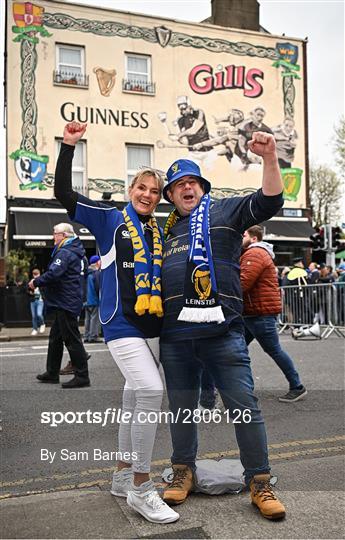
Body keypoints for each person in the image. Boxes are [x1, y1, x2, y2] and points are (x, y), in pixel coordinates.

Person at [53, 121, 179, 525]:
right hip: (119, 324)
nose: (147, 194)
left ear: (159, 199)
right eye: (141, 187)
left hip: (152, 327)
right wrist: (69, 146)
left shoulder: (158, 229)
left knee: (131, 399)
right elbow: (63, 194)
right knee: (149, 391)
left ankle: (123, 475)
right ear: (130, 191)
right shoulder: (109, 219)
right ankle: (142, 489)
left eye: (154, 191)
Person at [160, 131, 286, 520]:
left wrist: (269, 158)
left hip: (223, 334)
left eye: (192, 182)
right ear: (170, 195)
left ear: (202, 188)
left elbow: (269, 200)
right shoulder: (162, 231)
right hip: (176, 338)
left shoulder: (226, 212)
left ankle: (260, 482)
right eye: (179, 184)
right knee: (181, 410)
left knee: (245, 408)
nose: (187, 188)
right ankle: (183, 472)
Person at [240, 225, 307, 402]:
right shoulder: (253, 253)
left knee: (273, 350)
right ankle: (244, 390)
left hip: (259, 313)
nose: (241, 237)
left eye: (244, 234)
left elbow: (243, 283)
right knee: (238, 351)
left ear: (254, 238)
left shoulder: (255, 253)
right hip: (253, 312)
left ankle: (297, 386)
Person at [29, 223, 91, 389]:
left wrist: (35, 282)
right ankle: (52, 373)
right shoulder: (75, 252)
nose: (53, 237)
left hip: (65, 302)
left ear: (64, 235)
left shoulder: (65, 252)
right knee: (55, 339)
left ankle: (82, 376)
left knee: (72, 339)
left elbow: (54, 273)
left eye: (55, 234)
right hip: (65, 300)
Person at [83, 255, 102, 343]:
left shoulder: (87, 273)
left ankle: (86, 336)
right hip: (94, 299)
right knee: (95, 318)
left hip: (86, 300)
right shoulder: (96, 273)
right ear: (97, 262)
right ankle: (93, 336)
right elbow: (98, 287)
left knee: (87, 319)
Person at [28, 268, 45, 336]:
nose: (35, 276)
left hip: (40, 300)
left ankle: (42, 324)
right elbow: (27, 290)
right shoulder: (31, 281)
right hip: (33, 300)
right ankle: (35, 329)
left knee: (39, 314)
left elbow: (44, 289)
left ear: (39, 274)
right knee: (34, 316)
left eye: (37, 274)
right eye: (34, 274)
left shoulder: (42, 281)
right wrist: (30, 291)